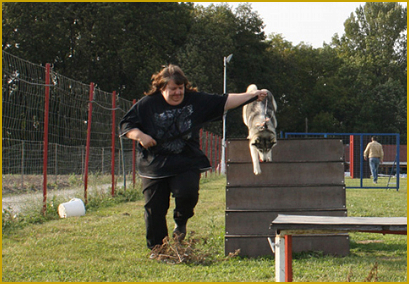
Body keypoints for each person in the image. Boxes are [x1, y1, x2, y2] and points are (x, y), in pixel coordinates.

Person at [119, 64, 268, 251]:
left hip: (185, 160)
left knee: (188, 193)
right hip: (154, 164)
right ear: (162, 88)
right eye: (173, 89)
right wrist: (140, 136)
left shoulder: (194, 101)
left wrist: (254, 95)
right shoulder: (147, 104)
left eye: (180, 88)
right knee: (155, 209)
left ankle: (180, 222)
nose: (177, 93)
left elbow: (224, 100)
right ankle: (158, 249)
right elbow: (126, 125)